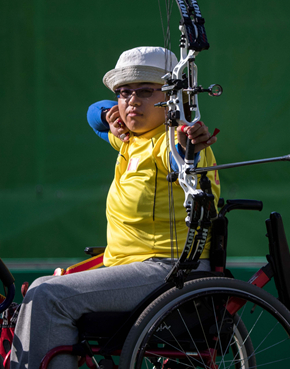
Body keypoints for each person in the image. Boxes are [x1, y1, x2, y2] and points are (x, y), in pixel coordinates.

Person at [10, 46, 220, 368]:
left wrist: (190, 140)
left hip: (164, 270)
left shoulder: (166, 142)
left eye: (146, 92)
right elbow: (94, 113)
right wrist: (113, 116)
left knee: (48, 298)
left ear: (172, 99)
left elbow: (185, 151)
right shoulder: (132, 138)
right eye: (124, 93)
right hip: (129, 266)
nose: (132, 101)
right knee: (39, 287)